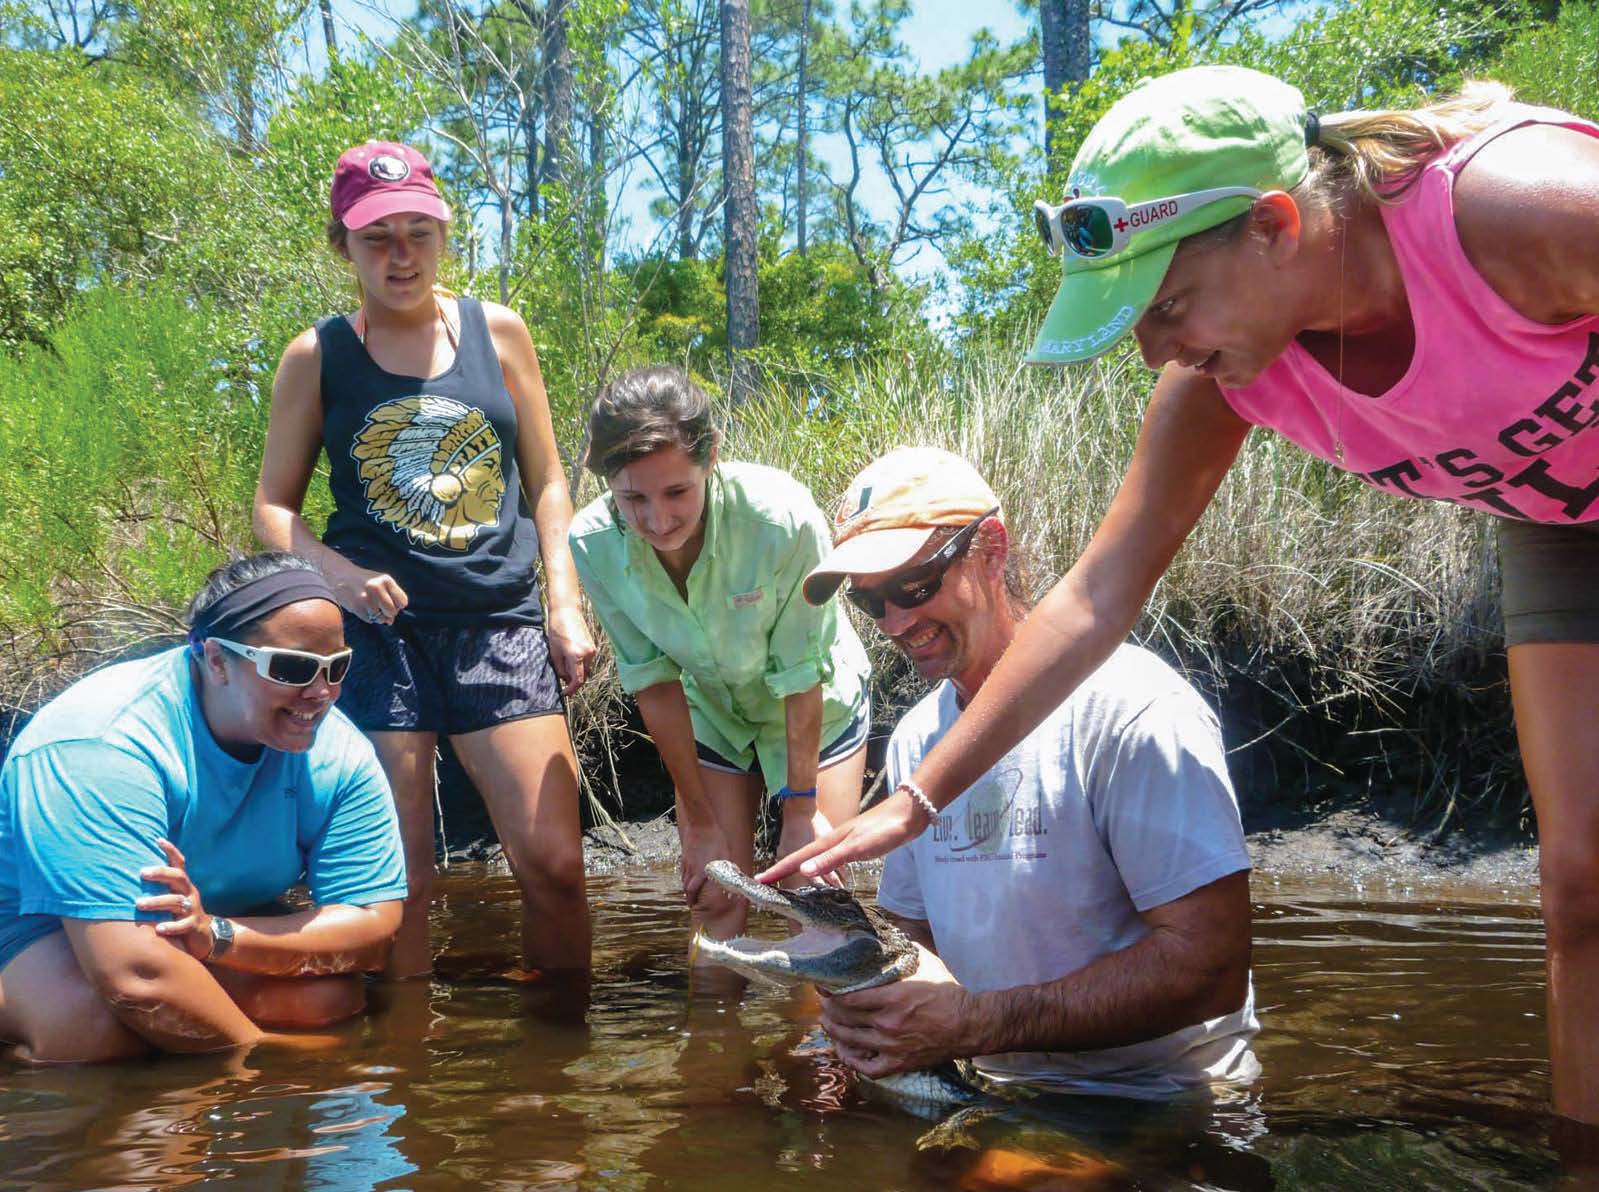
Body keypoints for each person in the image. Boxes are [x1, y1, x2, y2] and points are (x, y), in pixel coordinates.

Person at [761, 66, 1599, 1124]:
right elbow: (1094, 596)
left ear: (1274, 226)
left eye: (1164, 306)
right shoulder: (1223, 374)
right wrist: (914, 803)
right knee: (1578, 882)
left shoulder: (1518, 209)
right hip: (1559, 522)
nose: (1154, 349)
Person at [796, 447, 1257, 1095]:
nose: (895, 622)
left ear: (991, 549)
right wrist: (856, 1017)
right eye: (870, 600)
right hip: (991, 1085)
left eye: (914, 585)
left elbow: (1210, 968)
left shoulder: (1133, 710)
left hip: (1159, 1101)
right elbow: (912, 937)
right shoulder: (916, 739)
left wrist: (976, 1024)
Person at [255, 140, 596, 978]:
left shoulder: (498, 332)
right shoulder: (317, 356)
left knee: (555, 866)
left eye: (417, 233)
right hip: (380, 636)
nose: (400, 255)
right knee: (399, 883)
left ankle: (560, 1049)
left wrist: (562, 603)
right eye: (376, 238)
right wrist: (338, 577)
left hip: (499, 621)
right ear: (344, 246)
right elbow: (273, 509)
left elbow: (549, 481)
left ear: (444, 236)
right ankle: (403, 1054)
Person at [0, 553, 407, 1063]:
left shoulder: (340, 754)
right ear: (216, 661)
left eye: (337, 666)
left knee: (321, 1000)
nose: (321, 693)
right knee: (92, 1029)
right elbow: (134, 974)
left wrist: (217, 936)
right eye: (293, 668)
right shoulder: (100, 745)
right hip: (39, 925)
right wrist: (265, 1060)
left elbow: (373, 927)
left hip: (201, 920)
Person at [567, 365, 871, 939]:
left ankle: (820, 1006)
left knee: (812, 896)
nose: (657, 520)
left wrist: (801, 812)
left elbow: (801, 674)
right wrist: (699, 821)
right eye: (632, 498)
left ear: (711, 457)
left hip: (816, 702)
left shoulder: (781, 519)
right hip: (712, 709)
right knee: (716, 896)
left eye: (677, 492)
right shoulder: (591, 542)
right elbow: (654, 682)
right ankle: (715, 1004)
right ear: (604, 478)